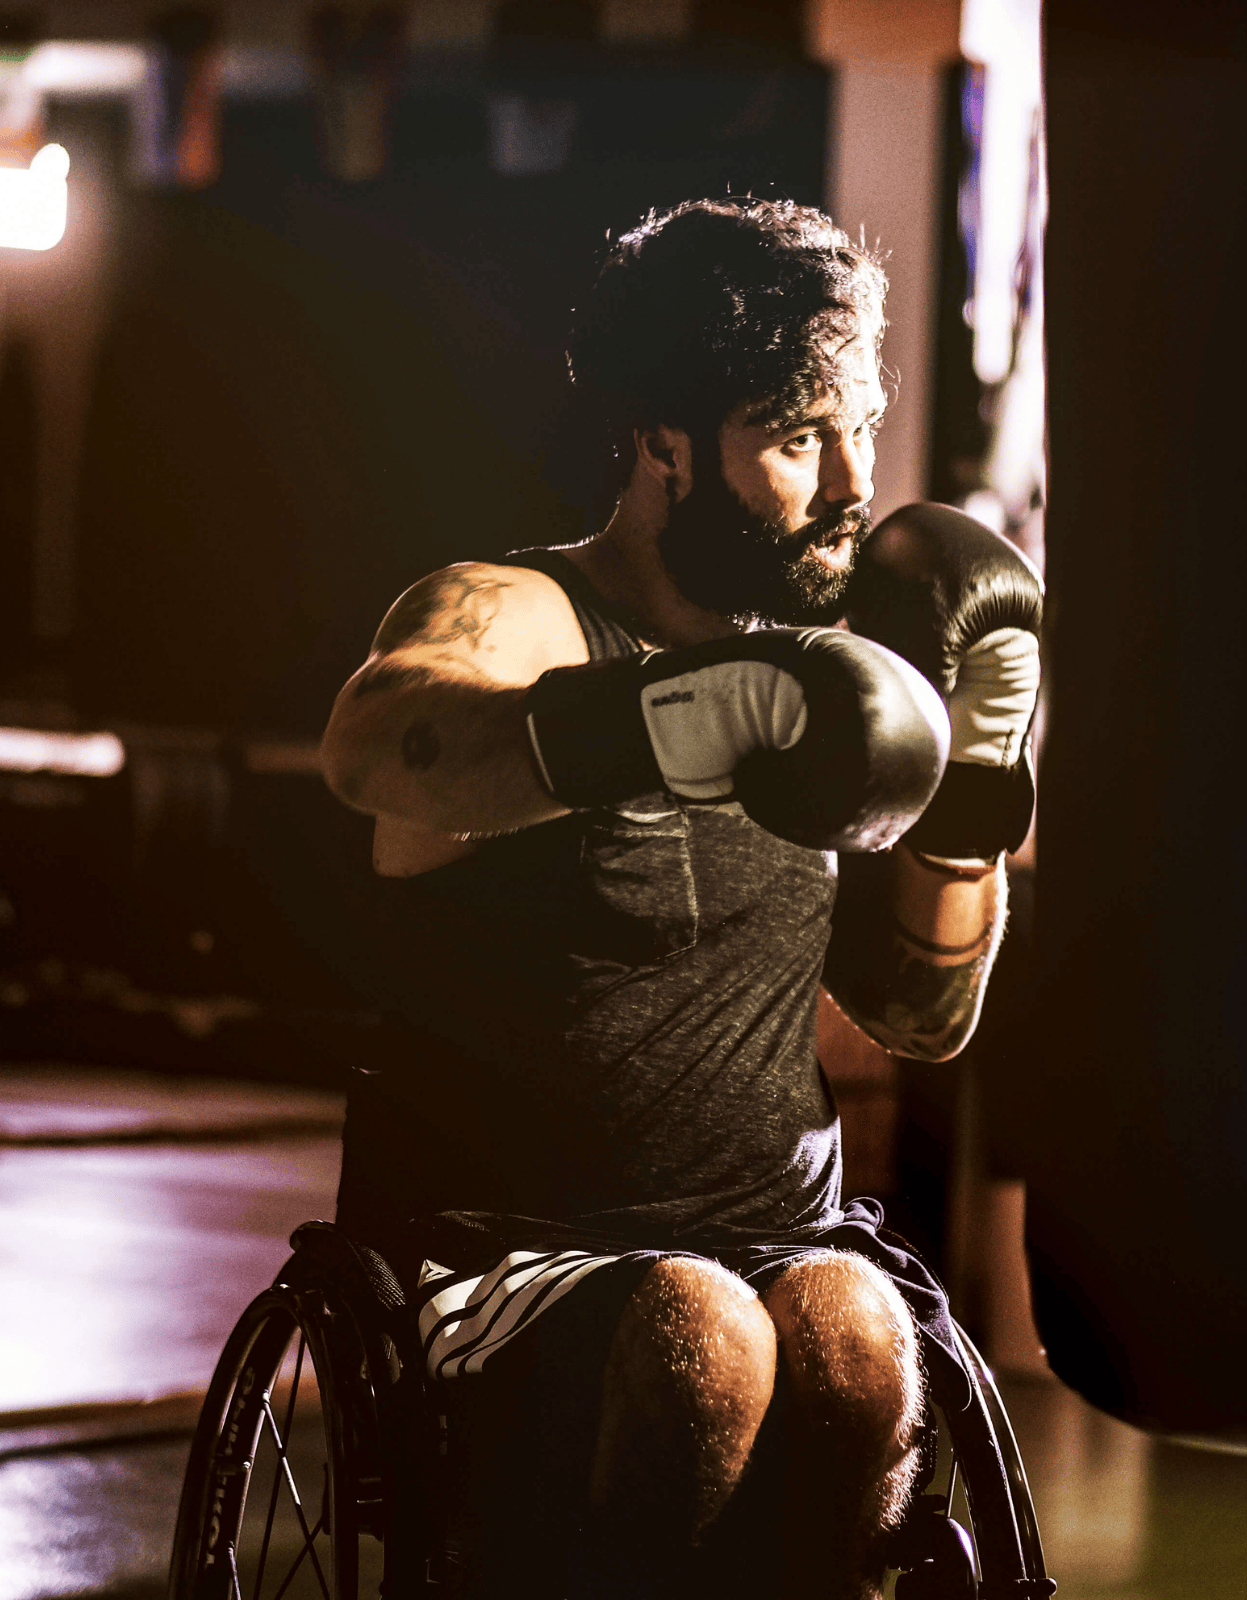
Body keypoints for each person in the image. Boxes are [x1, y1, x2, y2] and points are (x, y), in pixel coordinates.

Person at [318, 197, 1042, 1600]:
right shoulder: (523, 609)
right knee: (697, 1334)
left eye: (859, 425)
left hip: (776, 1230)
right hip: (507, 1250)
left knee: (855, 1332)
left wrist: (970, 801)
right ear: (664, 446)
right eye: (793, 438)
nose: (848, 482)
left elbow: (920, 1014)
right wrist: (662, 720)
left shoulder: (836, 668)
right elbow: (374, 746)